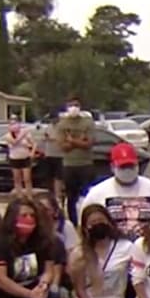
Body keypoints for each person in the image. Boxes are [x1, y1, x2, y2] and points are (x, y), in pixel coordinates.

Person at [64, 204, 134, 298]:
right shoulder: (79, 253)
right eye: (92, 223)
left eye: (100, 221)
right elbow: (80, 289)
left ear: (109, 222)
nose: (97, 225)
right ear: (85, 228)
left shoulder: (126, 247)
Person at [82, 143, 150, 241]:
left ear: (137, 164)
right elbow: (83, 228)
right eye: (123, 166)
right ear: (112, 167)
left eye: (131, 166)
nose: (127, 170)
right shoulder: (96, 194)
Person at [56, 96, 97, 226]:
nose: (74, 108)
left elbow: (89, 143)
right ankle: (74, 223)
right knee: (71, 197)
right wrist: (81, 140)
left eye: (76, 105)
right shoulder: (62, 124)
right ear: (67, 108)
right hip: (69, 165)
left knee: (88, 195)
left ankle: (88, 221)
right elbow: (63, 147)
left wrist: (72, 140)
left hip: (86, 164)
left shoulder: (88, 122)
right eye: (71, 105)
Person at [4, 116, 36, 195]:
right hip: (14, 158)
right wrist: (22, 135)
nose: (14, 125)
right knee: (17, 179)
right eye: (11, 124)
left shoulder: (26, 133)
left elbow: (34, 143)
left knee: (27, 178)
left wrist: (32, 152)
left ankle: (29, 196)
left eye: (15, 123)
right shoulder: (8, 135)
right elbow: (14, 142)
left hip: (25, 158)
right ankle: (19, 196)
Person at [38, 121, 64, 204]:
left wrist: (52, 138)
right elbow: (43, 138)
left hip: (59, 155)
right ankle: (51, 195)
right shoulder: (48, 127)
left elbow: (60, 139)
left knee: (58, 177)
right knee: (49, 176)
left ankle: (58, 196)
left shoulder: (62, 128)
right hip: (49, 154)